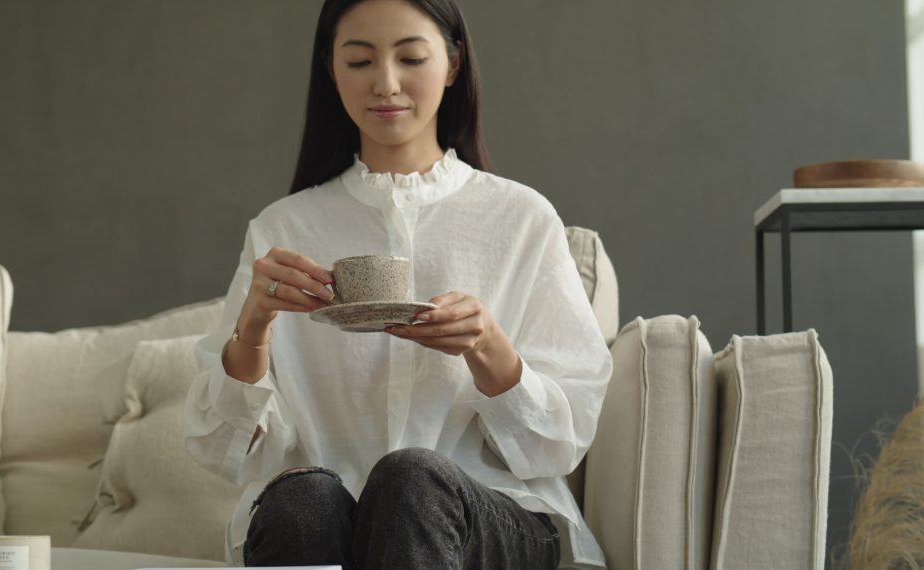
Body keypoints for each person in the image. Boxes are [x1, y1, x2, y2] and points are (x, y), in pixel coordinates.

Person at [184, 0, 612, 568]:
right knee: (301, 500)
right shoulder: (282, 230)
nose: (386, 84)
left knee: (411, 479)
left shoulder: (522, 219)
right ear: (330, 70)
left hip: (490, 516)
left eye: (411, 57)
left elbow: (559, 444)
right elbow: (220, 452)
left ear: (453, 63)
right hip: (332, 513)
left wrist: (486, 346)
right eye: (359, 62)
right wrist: (254, 327)